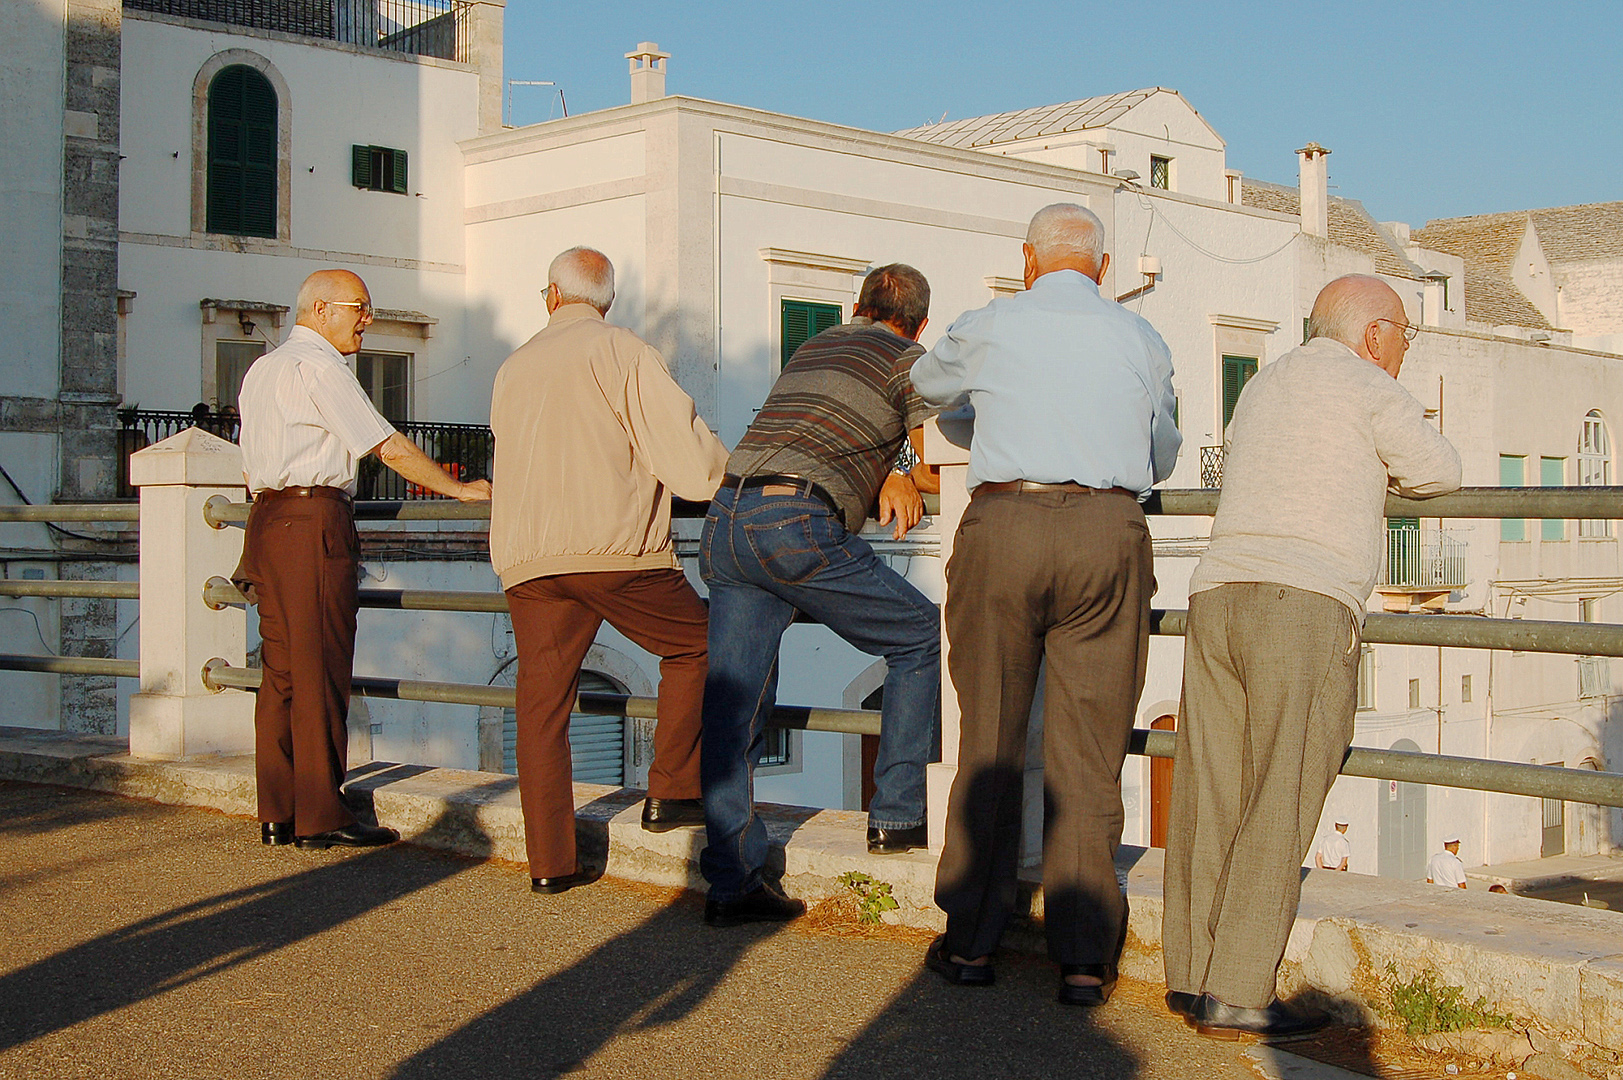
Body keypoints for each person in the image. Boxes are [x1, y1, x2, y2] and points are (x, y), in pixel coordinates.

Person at [1162, 274, 1461, 1039]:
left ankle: (1192, 978)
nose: (1402, 349)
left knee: (1210, 791)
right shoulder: (1367, 384)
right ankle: (1237, 991)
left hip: (1218, 592)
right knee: (1282, 792)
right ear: (1372, 335)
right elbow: (1436, 470)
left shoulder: (1264, 383)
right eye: (1403, 334)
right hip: (1303, 601)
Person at [911, 203, 1181, 1007]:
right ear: (1101, 267)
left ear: (1027, 260)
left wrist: (978, 413)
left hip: (1005, 523)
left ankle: (970, 944)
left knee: (990, 737)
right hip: (1107, 528)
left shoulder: (989, 323)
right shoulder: (1141, 337)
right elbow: (1159, 451)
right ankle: (1083, 957)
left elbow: (926, 391)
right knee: (1090, 752)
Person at [699, 263, 940, 927]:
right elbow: (935, 446)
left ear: (857, 305)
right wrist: (904, 472)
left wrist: (886, 467)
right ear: (919, 323)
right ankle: (895, 815)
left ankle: (730, 879)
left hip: (726, 519)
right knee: (918, 634)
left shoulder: (817, 342)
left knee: (733, 706)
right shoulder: (909, 357)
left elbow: (828, 424)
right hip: (794, 525)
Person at [490, 247, 729, 895]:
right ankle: (673, 790)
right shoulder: (620, 350)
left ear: (549, 296)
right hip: (612, 549)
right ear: (608, 301)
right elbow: (684, 454)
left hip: (529, 558)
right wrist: (733, 473)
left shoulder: (513, 367)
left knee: (540, 708)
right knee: (697, 644)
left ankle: (549, 866)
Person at [234, 269, 491, 850]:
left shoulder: (262, 368)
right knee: (320, 666)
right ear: (321, 309)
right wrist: (459, 490)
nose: (368, 321)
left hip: (266, 522)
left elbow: (252, 464)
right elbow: (386, 446)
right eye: (361, 308)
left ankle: (278, 809)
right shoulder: (322, 368)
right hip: (312, 523)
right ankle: (323, 814)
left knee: (281, 672)